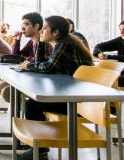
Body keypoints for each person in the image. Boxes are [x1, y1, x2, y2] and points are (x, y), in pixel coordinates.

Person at [17, 16, 93, 160]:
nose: (41, 30)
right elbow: (45, 64)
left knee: (32, 104)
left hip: (82, 104)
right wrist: (40, 44)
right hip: (74, 95)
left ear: (55, 32)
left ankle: (39, 150)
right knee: (33, 103)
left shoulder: (65, 44)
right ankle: (39, 148)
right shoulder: (61, 43)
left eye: (44, 28)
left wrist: (28, 65)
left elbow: (48, 67)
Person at [0, 12, 52, 102]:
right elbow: (17, 57)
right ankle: (25, 110)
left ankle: (29, 109)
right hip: (31, 76)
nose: (22, 27)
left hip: (40, 82)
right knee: (1, 86)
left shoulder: (45, 44)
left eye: (26, 24)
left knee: (6, 91)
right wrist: (17, 40)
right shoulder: (31, 42)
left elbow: (42, 62)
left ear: (37, 26)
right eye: (22, 24)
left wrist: (27, 59)